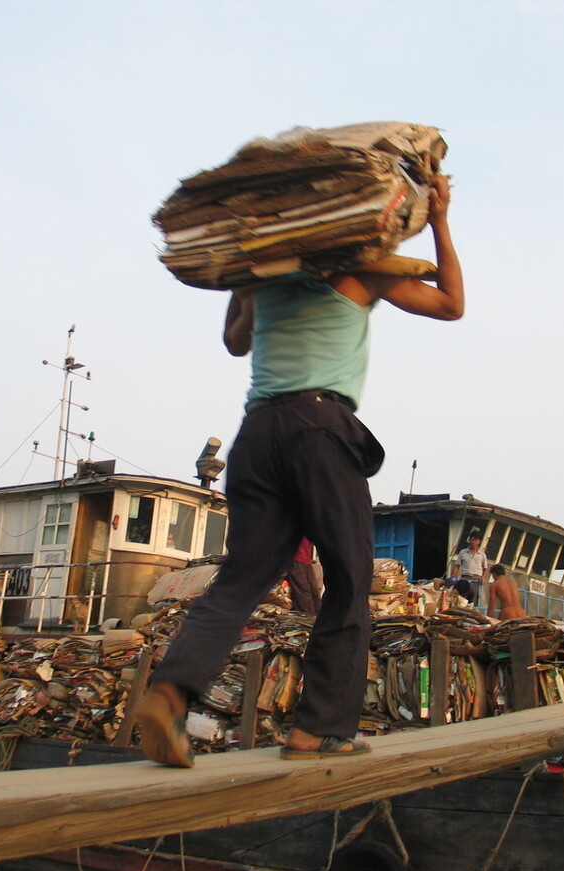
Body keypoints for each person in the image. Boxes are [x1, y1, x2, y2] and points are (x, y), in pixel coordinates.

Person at [135, 175, 465, 766]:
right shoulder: (365, 269)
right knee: (348, 576)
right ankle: (319, 729)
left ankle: (170, 690)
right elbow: (451, 304)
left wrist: (245, 278)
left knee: (242, 577)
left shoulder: (264, 282)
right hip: (321, 427)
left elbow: (236, 343)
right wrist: (439, 220)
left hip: (257, 435)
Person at [286, 537, 323, 616]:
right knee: (304, 594)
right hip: (296, 558)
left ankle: (318, 619)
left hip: (305, 559)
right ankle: (308, 622)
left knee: (314, 592)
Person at [450, 534, 488, 605]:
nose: (474, 542)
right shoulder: (463, 552)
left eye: (476, 540)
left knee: (472, 600)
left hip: (476, 580)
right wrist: (453, 577)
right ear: (469, 540)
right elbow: (457, 566)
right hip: (465, 578)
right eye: (472, 540)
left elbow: (485, 568)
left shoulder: (482, 554)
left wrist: (483, 577)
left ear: (479, 542)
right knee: (460, 598)